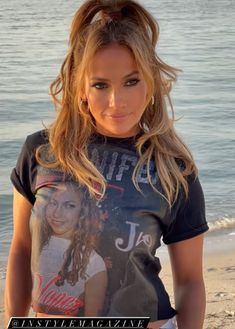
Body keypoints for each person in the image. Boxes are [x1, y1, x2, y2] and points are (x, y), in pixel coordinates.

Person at [4, 0, 209, 328]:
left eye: (132, 81)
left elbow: (189, 281)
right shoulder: (41, 151)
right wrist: (12, 322)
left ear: (151, 82)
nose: (118, 101)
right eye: (101, 85)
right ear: (81, 88)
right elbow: (21, 250)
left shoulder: (173, 169)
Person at [31, 181, 107, 316]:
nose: (57, 213)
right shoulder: (36, 246)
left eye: (69, 206)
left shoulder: (94, 263)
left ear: (83, 212)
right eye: (53, 203)